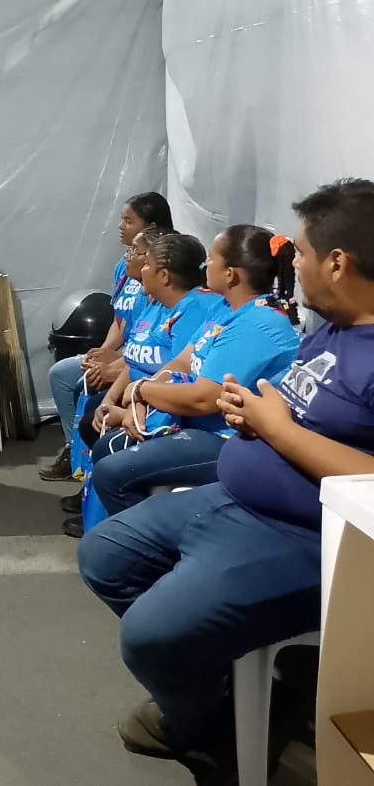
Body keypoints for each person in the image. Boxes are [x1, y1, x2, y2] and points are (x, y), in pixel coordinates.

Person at [78, 178, 374, 783]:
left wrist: (276, 428)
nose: (296, 270)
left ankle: (202, 725)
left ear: (338, 263)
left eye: (305, 256)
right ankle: (214, 684)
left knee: (151, 635)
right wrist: (258, 415)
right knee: (105, 553)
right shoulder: (333, 331)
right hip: (234, 497)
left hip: (305, 537)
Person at [84, 226, 300, 516]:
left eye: (211, 259)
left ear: (231, 274)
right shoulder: (225, 308)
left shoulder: (258, 324)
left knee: (112, 469)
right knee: (108, 444)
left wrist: (141, 390)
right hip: (197, 423)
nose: (203, 265)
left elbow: (203, 398)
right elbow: (182, 362)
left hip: (229, 439)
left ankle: (150, 548)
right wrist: (140, 398)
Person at [42, 192, 173, 481]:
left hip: (136, 365)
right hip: (124, 356)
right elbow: (120, 320)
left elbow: (158, 348)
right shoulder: (123, 269)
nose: (121, 226)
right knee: (62, 375)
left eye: (129, 220)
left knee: (88, 391)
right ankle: (73, 449)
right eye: (121, 219)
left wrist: (116, 363)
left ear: (150, 228)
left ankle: (93, 467)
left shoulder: (165, 287)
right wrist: (101, 352)